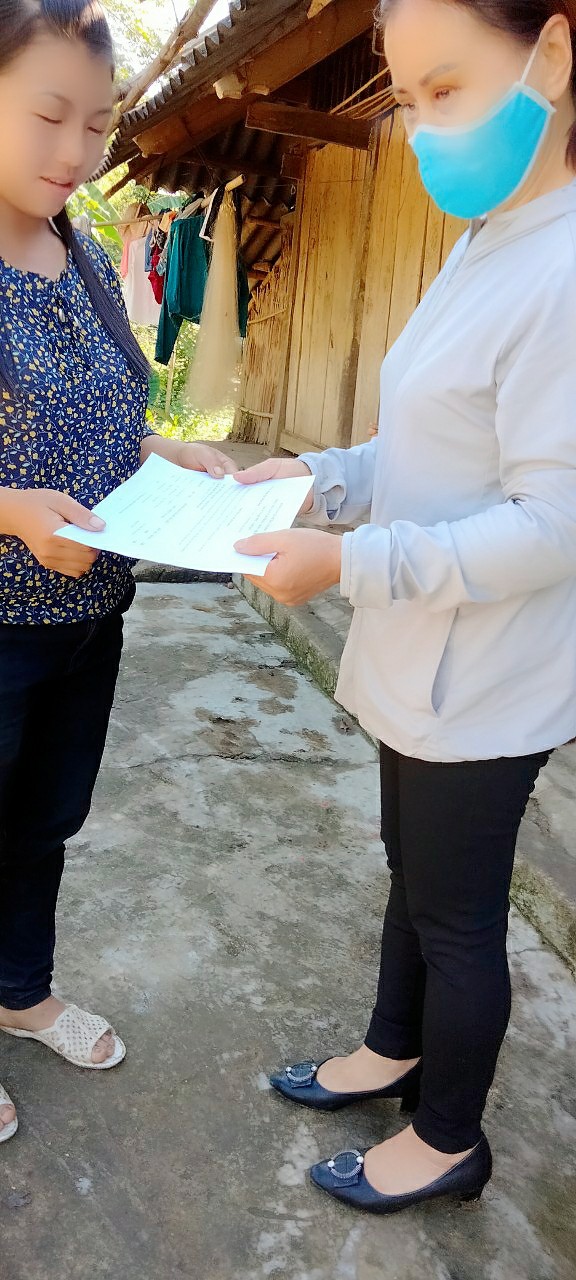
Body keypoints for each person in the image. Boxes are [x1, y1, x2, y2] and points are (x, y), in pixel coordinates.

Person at [234, 0, 576, 1216]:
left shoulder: (566, 267)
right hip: (422, 646)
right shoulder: (492, 239)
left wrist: (349, 562)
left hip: (486, 673)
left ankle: (447, 1137)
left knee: (459, 914)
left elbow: (554, 524)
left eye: (447, 88)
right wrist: (318, 478)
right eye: (409, 99)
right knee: (411, 875)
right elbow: (429, 445)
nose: (424, 130)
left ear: (553, 55)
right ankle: (392, 1045)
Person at [0, 0, 234, 1146]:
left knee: (42, 820)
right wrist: (7, 512)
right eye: (49, 115)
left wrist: (162, 449)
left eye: (96, 124)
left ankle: (20, 989)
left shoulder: (84, 256)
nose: (76, 150)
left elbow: (103, 415)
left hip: (90, 611)